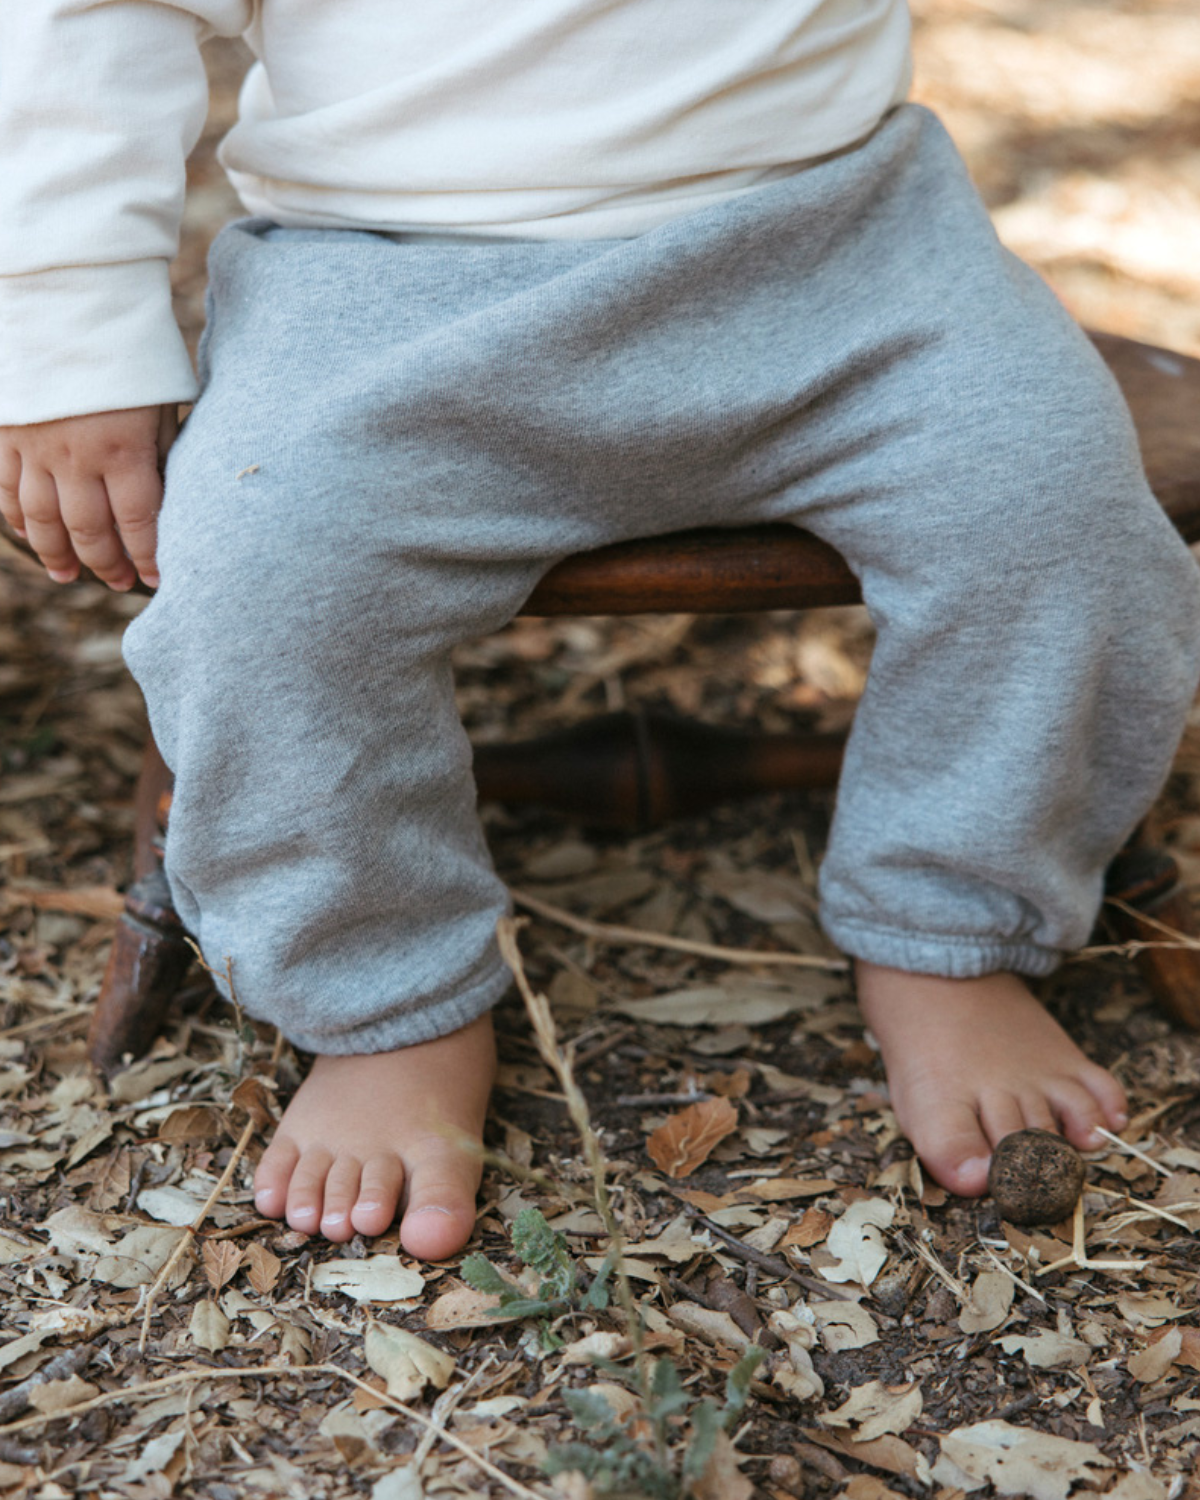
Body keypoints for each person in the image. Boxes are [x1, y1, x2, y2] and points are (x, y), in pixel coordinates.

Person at [2, 1, 1198, 1262]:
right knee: (264, 575)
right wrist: (70, 331)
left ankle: (957, 927)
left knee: (1055, 508)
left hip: (850, 247)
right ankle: (384, 1002)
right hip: (389, 283)